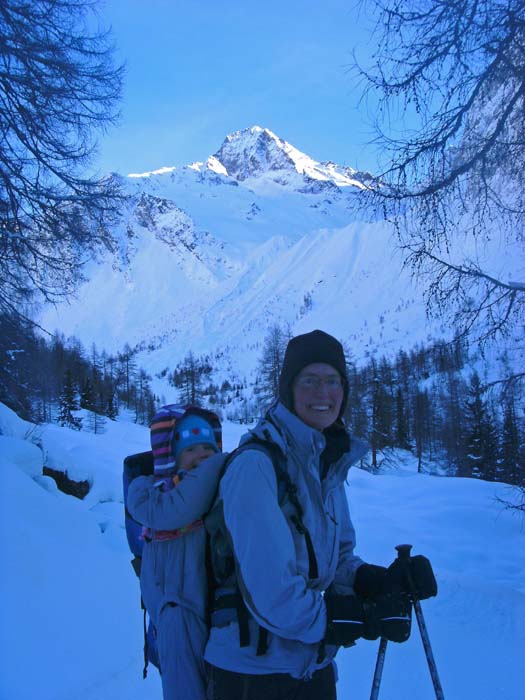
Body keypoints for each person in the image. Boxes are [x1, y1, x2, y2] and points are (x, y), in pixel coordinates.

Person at [204, 330, 436, 700]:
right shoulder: (256, 466)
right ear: (287, 388)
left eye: (332, 381)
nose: (322, 393)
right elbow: (273, 593)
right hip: (251, 675)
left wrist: (374, 581)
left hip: (312, 668)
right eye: (308, 380)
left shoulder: (324, 463)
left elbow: (336, 559)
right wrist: (351, 617)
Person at [127, 407, 224, 700]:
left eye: (209, 448)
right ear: (171, 456)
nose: (203, 456)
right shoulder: (174, 497)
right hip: (178, 611)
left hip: (197, 610)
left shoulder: (208, 493)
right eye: (191, 449)